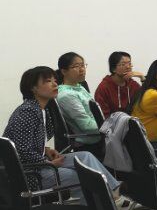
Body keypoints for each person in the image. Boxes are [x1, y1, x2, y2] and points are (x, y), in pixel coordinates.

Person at [4, 66, 121, 203]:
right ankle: (100, 207)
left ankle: (114, 192)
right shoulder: (27, 112)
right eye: (48, 81)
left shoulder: (41, 109)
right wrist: (48, 163)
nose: (55, 84)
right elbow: (21, 150)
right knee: (81, 176)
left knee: (85, 156)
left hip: (39, 164)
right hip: (30, 173)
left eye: (55, 80)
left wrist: (46, 150)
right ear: (33, 88)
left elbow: (28, 141)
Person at [56, 52, 103, 150]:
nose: (82, 69)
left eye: (83, 65)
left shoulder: (79, 87)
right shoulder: (66, 95)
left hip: (101, 136)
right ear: (64, 71)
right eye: (76, 66)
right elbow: (87, 126)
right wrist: (109, 127)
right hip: (91, 143)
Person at [95, 51, 144, 118]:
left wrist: (142, 77)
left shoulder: (132, 84)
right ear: (113, 69)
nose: (128, 67)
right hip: (112, 123)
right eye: (123, 64)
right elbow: (103, 116)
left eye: (129, 63)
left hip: (132, 121)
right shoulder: (104, 88)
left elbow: (145, 101)